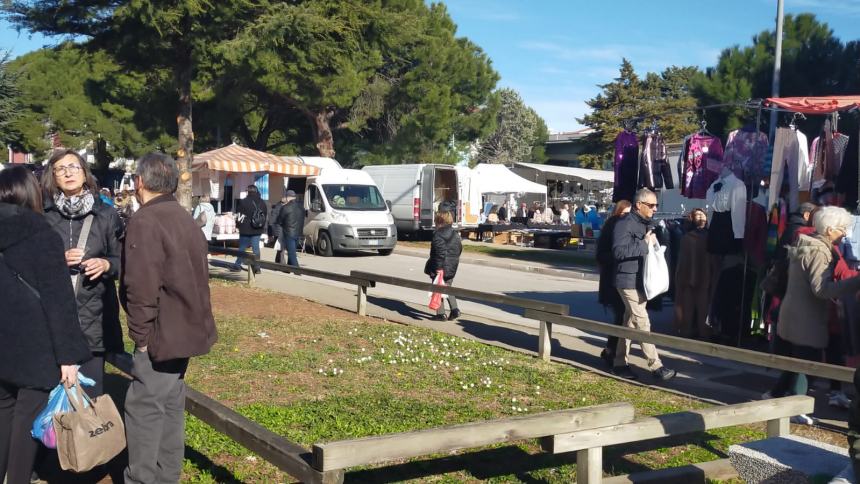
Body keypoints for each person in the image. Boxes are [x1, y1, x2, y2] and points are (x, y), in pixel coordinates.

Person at [121, 153, 217, 484]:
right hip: (187, 329)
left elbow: (141, 285)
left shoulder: (146, 220)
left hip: (162, 333)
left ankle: (143, 479)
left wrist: (141, 337)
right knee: (171, 404)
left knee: (144, 409)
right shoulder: (182, 216)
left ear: (139, 182)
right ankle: (166, 477)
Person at [0, 165, 90, 484]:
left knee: (3, 415)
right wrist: (69, 356)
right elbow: (59, 300)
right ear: (31, 193)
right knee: (27, 423)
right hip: (36, 346)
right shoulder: (42, 234)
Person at [765, 206, 860, 425]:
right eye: (842, 229)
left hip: (797, 314)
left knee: (800, 362)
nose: (845, 233)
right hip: (805, 318)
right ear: (829, 230)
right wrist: (856, 282)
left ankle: (777, 396)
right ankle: (796, 407)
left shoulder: (808, 243)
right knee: (807, 364)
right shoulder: (819, 250)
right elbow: (821, 289)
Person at [42, 149, 125, 397]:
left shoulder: (106, 214)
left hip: (94, 315)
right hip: (52, 316)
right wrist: (58, 261)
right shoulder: (43, 215)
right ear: (52, 177)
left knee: (90, 399)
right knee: (51, 399)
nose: (68, 173)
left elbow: (122, 260)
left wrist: (106, 264)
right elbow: (30, 264)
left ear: (85, 173)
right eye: (60, 169)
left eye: (73, 167)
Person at [611, 188, 676, 381]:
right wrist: (643, 244)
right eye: (651, 205)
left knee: (629, 324)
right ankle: (656, 366)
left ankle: (619, 363)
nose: (655, 209)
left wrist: (653, 243)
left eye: (656, 205)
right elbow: (618, 252)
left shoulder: (645, 224)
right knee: (642, 322)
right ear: (639, 205)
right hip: (628, 280)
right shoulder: (625, 224)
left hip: (641, 281)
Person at [596, 200, 631, 367]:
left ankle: (611, 350)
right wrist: (618, 257)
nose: (625, 218)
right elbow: (601, 255)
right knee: (620, 315)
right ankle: (612, 351)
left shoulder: (630, 228)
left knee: (623, 316)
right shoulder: (611, 226)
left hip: (625, 279)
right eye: (623, 214)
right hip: (612, 279)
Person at [673, 208, 712, 339]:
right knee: (687, 310)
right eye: (697, 215)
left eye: (703, 215)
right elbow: (682, 260)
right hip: (687, 279)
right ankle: (685, 334)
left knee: (704, 311)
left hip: (705, 279)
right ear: (692, 219)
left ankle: (704, 335)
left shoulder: (710, 236)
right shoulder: (686, 238)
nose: (701, 218)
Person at [424, 210, 462, 321]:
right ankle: (455, 310)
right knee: (447, 287)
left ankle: (440, 314)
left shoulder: (438, 235)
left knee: (438, 288)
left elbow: (439, 254)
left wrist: (438, 268)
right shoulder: (455, 234)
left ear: (439, 221)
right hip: (452, 267)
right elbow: (459, 249)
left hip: (440, 267)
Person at [231, 185, 267, 274]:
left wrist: (238, 226)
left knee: (242, 248)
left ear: (248, 192)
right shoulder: (262, 202)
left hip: (245, 229)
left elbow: (240, 216)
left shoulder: (244, 202)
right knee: (256, 248)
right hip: (257, 228)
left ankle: (238, 265)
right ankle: (257, 267)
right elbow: (265, 215)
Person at [276, 189, 304, 267]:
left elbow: (279, 220)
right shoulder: (301, 207)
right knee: (293, 250)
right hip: (298, 232)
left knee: (291, 253)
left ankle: (297, 270)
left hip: (289, 233)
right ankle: (289, 268)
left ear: (287, 198)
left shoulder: (285, 207)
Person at [268, 196, 286, 263]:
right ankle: (282, 264)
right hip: (279, 230)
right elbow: (271, 221)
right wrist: (271, 233)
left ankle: (277, 262)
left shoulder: (278, 207)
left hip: (277, 230)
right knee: (281, 248)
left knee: (279, 248)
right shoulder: (279, 208)